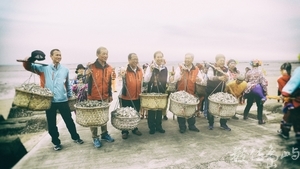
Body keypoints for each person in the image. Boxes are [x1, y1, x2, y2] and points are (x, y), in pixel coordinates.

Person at [23, 49, 84, 151]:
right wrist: (30, 59)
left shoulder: (65, 70)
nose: (59, 57)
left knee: (69, 121)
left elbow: (67, 84)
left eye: (60, 55)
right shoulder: (43, 68)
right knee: (51, 124)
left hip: (63, 100)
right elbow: (28, 66)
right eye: (56, 55)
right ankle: (56, 142)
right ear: (51, 56)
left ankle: (76, 137)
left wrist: (70, 95)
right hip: (49, 101)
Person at [85, 46, 114, 148]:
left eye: (106, 54)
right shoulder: (91, 66)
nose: (105, 56)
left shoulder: (109, 68)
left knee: (103, 116)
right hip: (93, 96)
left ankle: (104, 134)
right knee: (94, 118)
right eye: (103, 53)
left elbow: (109, 83)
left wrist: (110, 95)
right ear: (97, 55)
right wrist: (86, 73)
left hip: (105, 96)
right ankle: (95, 137)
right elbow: (85, 81)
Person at [171, 53, 201, 133]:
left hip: (191, 93)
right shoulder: (180, 68)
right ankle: (182, 127)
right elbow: (175, 79)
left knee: (191, 110)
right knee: (181, 111)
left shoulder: (196, 69)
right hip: (181, 93)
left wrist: (199, 80)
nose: (187, 60)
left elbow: (201, 79)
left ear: (192, 60)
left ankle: (192, 125)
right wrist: (179, 74)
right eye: (186, 58)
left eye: (189, 58)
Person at [119, 53, 143, 139]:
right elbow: (120, 74)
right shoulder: (125, 69)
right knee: (125, 115)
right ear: (129, 60)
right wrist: (121, 73)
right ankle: (125, 131)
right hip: (126, 97)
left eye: (137, 59)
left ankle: (134, 128)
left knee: (135, 114)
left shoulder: (140, 70)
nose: (135, 61)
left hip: (137, 96)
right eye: (133, 59)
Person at [143, 51, 168, 134]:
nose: (159, 58)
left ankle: (159, 126)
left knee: (159, 109)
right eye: (158, 57)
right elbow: (146, 79)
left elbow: (166, 80)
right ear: (154, 58)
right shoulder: (151, 67)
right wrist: (150, 70)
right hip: (152, 91)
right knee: (152, 110)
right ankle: (152, 127)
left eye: (161, 57)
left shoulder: (165, 68)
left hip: (161, 91)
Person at [206, 54, 231, 131]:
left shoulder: (226, 69)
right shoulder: (211, 68)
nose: (222, 62)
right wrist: (219, 78)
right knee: (211, 108)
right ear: (216, 61)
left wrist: (226, 79)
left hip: (221, 91)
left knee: (224, 108)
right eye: (221, 60)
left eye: (223, 60)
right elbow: (210, 77)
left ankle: (223, 124)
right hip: (211, 90)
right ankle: (211, 123)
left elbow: (229, 79)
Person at [243, 59, 268, 124]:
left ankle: (245, 115)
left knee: (249, 103)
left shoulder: (248, 72)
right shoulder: (260, 72)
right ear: (258, 64)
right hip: (257, 89)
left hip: (250, 89)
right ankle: (260, 120)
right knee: (259, 105)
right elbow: (263, 82)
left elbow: (246, 80)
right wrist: (265, 91)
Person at [281, 66, 300, 144]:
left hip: (297, 98)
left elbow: (294, 82)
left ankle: (286, 132)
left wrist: (285, 93)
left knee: (292, 114)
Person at [276, 62, 292, 139]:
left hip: (288, 100)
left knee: (287, 117)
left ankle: (285, 133)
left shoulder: (280, 79)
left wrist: (282, 96)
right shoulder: (293, 78)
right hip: (295, 99)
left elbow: (282, 90)